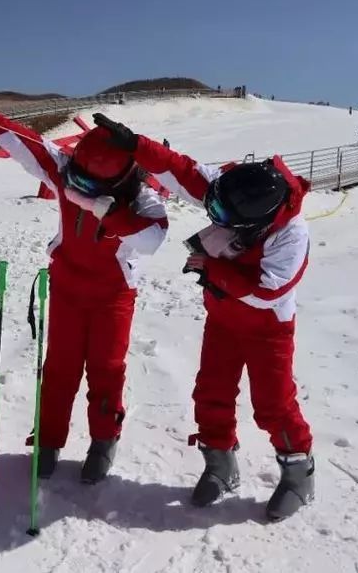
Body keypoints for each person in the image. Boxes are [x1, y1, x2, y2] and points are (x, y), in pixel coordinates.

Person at [93, 112, 314, 521]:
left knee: (272, 403)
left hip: (268, 328)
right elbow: (182, 170)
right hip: (223, 317)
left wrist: (213, 269)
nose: (215, 220)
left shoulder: (291, 234)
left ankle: (299, 472)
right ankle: (219, 465)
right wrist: (134, 143)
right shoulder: (234, 189)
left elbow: (270, 290)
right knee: (211, 392)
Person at [0, 88, 168, 484]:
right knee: (60, 368)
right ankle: (48, 441)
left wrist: (109, 213)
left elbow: (153, 238)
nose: (79, 187)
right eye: (78, 177)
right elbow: (29, 146)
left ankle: (103, 440)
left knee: (107, 369)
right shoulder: (68, 168)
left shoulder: (142, 197)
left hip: (112, 297)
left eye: (92, 184)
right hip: (67, 287)